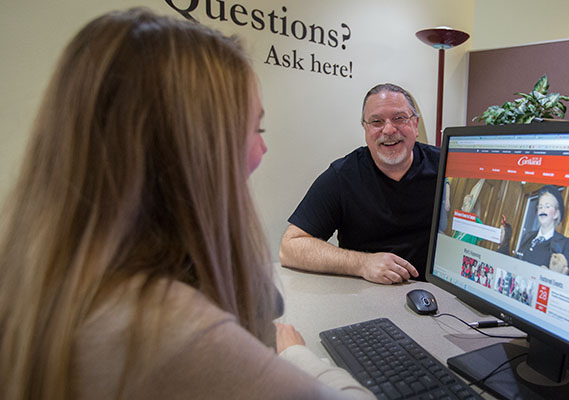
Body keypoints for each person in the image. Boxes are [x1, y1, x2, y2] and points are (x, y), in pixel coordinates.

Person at [0, 9, 372, 400]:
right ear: (195, 148)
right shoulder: (162, 332)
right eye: (254, 128)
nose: (262, 148)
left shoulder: (53, 280)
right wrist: (295, 353)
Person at [279, 84, 440, 284]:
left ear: (415, 125)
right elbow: (290, 247)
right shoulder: (342, 176)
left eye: (399, 118)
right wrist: (362, 263)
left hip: (439, 295)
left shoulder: (446, 167)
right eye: (376, 121)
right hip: (366, 294)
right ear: (365, 128)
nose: (389, 129)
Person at [515, 186, 569, 276]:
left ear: (556, 213)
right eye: (540, 207)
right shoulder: (527, 237)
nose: (543, 210)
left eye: (547, 206)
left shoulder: (565, 244)